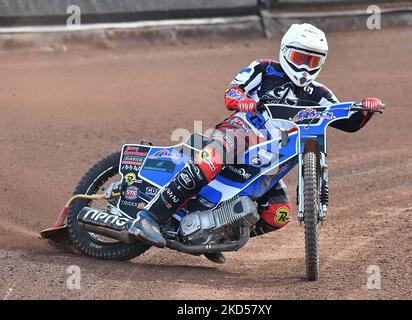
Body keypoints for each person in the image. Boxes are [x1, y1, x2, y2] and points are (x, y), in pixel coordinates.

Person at [128, 23, 383, 263]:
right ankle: (149, 217)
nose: (305, 68)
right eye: (299, 59)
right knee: (210, 162)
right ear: (285, 52)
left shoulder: (319, 95)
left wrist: (366, 109)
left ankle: (214, 237)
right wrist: (244, 101)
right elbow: (231, 92)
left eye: (312, 61)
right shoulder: (264, 69)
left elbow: (346, 122)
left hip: (272, 157)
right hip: (241, 131)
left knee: (279, 212)